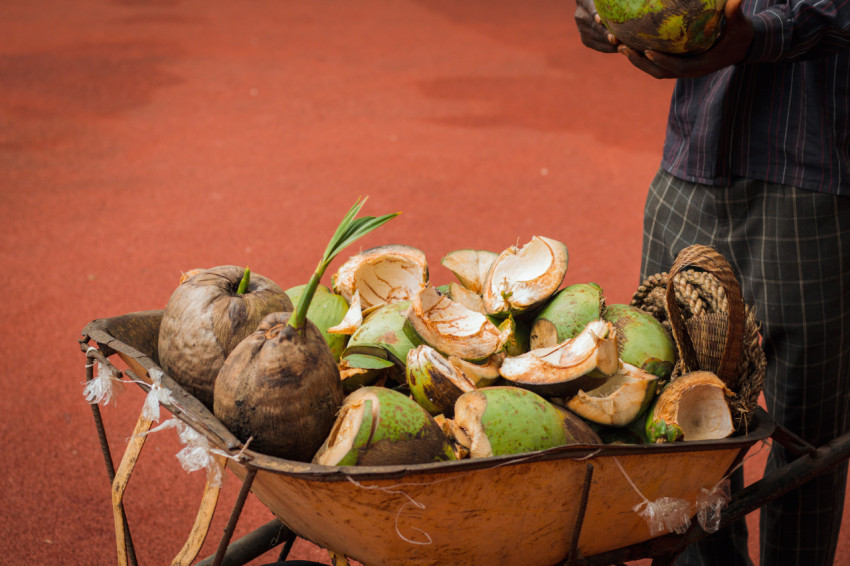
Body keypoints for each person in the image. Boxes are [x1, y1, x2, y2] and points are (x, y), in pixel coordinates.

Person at [574, 0, 850, 564]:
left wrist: (759, 35)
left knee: (806, 445)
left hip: (814, 175)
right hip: (692, 159)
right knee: (675, 422)